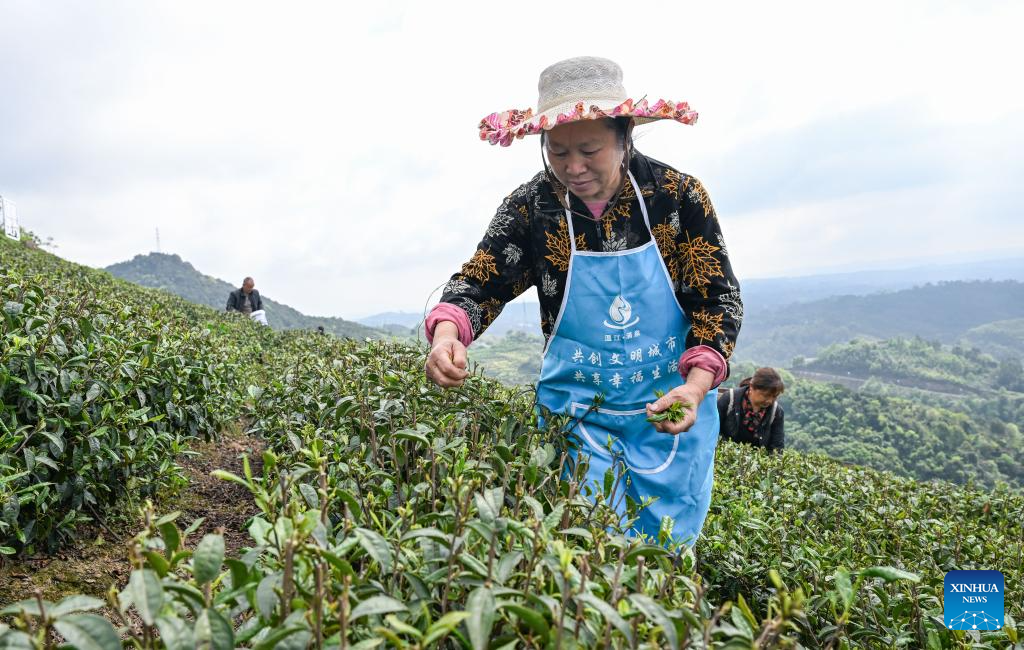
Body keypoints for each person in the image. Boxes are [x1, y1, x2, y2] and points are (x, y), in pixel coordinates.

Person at [423, 56, 742, 549]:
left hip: (669, 413)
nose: (573, 167)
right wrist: (447, 335)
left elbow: (716, 299)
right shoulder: (533, 206)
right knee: (582, 554)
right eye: (558, 151)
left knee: (662, 564)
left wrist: (696, 388)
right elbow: (482, 278)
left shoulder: (677, 198)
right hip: (576, 417)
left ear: (624, 136)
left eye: (589, 149)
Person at [717, 368, 785, 453]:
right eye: (766, 395)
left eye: (774, 396)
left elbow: (777, 448)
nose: (770, 401)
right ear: (752, 387)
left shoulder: (776, 412)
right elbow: (713, 431)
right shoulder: (730, 399)